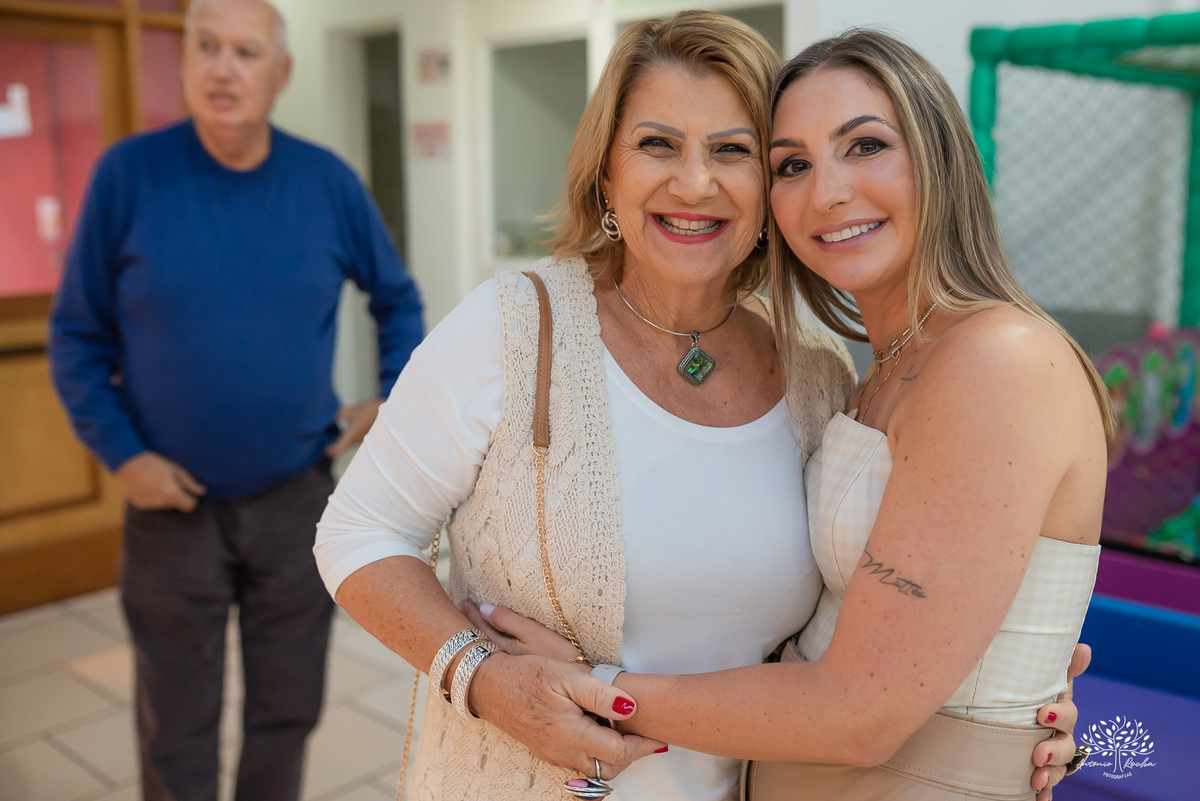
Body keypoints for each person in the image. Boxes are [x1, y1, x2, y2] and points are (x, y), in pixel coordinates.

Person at [314, 13, 1082, 801]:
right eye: (658, 144)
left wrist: (1003, 688)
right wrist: (481, 677)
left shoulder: (817, 373)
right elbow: (358, 532)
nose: (693, 183)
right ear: (606, 174)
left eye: (733, 150)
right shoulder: (512, 328)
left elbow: (875, 628)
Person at [48, 0, 423, 798]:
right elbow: (75, 336)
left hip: (296, 500)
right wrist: (124, 454)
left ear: (281, 73)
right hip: (169, 509)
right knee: (176, 721)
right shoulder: (128, 176)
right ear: (183, 61)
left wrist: (388, 400)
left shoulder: (326, 182)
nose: (222, 68)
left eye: (246, 53)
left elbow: (396, 299)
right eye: (206, 47)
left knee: (286, 709)